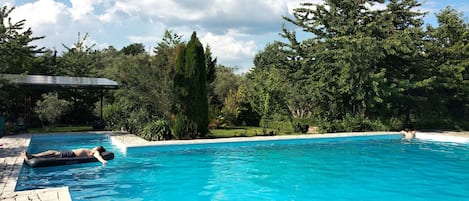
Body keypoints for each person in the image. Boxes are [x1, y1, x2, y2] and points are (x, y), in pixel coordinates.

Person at [22, 146, 108, 165]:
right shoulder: (91, 151)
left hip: (71, 154)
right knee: (51, 153)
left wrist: (103, 161)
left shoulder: (95, 153)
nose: (94, 147)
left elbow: (98, 157)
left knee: (51, 152)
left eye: (96, 147)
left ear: (98, 149)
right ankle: (33, 156)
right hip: (70, 153)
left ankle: (32, 156)